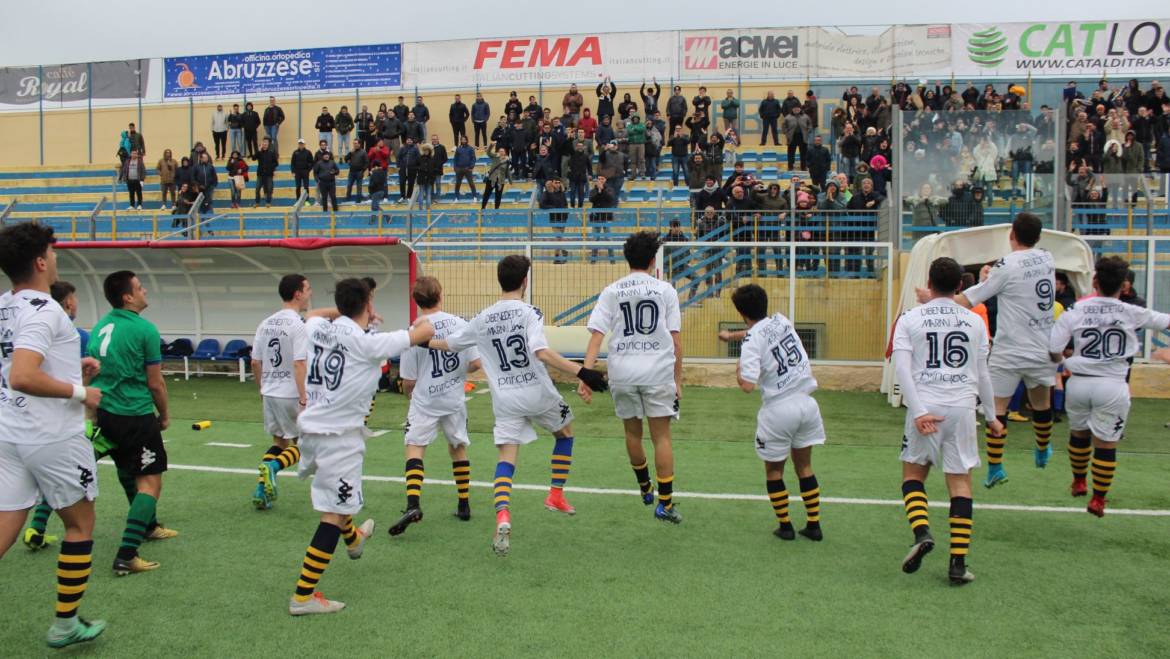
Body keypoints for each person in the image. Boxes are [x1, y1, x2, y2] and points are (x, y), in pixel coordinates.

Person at [428, 255, 607, 557]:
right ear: (525, 281)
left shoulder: (483, 317)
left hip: (506, 398)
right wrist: (583, 371)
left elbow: (452, 343)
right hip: (536, 392)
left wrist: (423, 343)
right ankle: (555, 495)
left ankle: (502, 516)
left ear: (500, 280)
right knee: (565, 433)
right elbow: (541, 351)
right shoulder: (529, 312)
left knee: (506, 456)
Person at [287, 279, 433, 615]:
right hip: (337, 436)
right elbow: (421, 332)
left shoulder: (319, 328)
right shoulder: (369, 343)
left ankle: (354, 540)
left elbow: (312, 313)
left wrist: (350, 311)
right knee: (334, 511)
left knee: (342, 498)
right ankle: (303, 596)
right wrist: (430, 319)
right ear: (367, 304)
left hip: (314, 428)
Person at [0, 224, 108, 648]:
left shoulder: (4, 306)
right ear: (41, 262)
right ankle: (66, 623)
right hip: (51, 437)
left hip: (10, 433)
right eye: (52, 251)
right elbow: (22, 374)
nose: (57, 258)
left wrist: (69, 369)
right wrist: (82, 391)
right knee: (80, 526)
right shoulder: (46, 310)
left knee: (8, 520)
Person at [916, 213, 1055, 487]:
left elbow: (969, 299)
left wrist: (931, 298)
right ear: (1038, 237)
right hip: (1042, 346)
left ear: (1012, 234)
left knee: (998, 409)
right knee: (1042, 405)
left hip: (1010, 349)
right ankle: (1042, 448)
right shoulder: (1048, 258)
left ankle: (995, 467)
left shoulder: (1007, 264)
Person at [895, 257, 1001, 586]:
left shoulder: (910, 318)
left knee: (914, 474)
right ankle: (958, 564)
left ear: (929, 282)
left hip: (927, 403)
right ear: (960, 286)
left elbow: (901, 369)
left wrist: (918, 410)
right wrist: (994, 416)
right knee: (960, 483)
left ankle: (922, 532)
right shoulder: (974, 321)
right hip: (962, 408)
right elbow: (983, 372)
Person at [1050, 256, 1169, 516]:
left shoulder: (1076, 310)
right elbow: (1166, 321)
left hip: (1079, 382)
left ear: (1095, 281)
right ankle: (1098, 500)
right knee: (1105, 444)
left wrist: (1065, 361)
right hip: (1113, 385)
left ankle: (1079, 480)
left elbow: (1052, 348)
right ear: (1124, 286)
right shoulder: (1131, 311)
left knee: (1079, 434)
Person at [581, 232, 683, 523]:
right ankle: (664, 504)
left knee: (632, 432)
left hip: (622, 371)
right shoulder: (666, 290)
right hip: (657, 370)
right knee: (661, 436)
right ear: (653, 260)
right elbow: (676, 341)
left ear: (627, 258)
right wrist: (678, 379)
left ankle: (644, 486)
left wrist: (585, 375)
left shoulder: (612, 290)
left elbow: (596, 337)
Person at [720, 284, 827, 541]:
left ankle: (786, 526)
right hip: (807, 405)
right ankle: (814, 525)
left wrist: (738, 368)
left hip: (778, 409)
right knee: (805, 467)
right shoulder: (782, 320)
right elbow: (758, 331)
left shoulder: (751, 342)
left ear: (741, 311)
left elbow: (747, 385)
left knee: (774, 471)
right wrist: (733, 336)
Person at [88, 270, 177, 576]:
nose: (145, 292)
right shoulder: (144, 329)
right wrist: (163, 415)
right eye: (140, 288)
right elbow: (155, 383)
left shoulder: (99, 326)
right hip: (134, 415)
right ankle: (127, 553)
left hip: (105, 412)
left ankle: (149, 526)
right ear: (128, 296)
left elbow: (93, 373)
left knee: (127, 469)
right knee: (150, 482)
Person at [387, 277, 483, 536]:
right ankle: (464, 504)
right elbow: (476, 363)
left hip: (426, 400)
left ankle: (413, 504)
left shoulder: (416, 329)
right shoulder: (460, 324)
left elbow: (408, 380)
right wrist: (457, 374)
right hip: (453, 399)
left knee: (415, 447)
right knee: (458, 447)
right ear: (440, 294)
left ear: (416, 301)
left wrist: (410, 395)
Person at [250, 275, 332, 510]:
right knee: (306, 444)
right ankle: (273, 469)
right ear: (297, 293)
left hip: (270, 392)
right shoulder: (298, 325)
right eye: (307, 288)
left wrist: (262, 389)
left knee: (279, 441)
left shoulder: (265, 323)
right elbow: (299, 363)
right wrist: (304, 398)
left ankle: (260, 490)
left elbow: (255, 362)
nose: (310, 293)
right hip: (291, 393)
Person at [782, 105, 811, 171]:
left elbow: (810, 124)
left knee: (804, 153)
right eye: (795, 109)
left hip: (803, 137)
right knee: (791, 153)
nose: (796, 110)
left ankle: (803, 167)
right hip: (792, 137)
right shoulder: (788, 117)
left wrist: (808, 131)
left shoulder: (805, 116)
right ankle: (790, 167)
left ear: (800, 109)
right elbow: (784, 126)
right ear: (792, 109)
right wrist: (787, 133)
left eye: (798, 108)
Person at [254, 138, 277, 208]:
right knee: (257, 189)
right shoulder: (259, 153)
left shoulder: (271, 153)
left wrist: (271, 168)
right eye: (263, 143)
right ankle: (257, 202)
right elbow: (254, 158)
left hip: (269, 174)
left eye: (266, 143)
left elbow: (276, 163)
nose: (264, 144)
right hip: (260, 174)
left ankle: (268, 202)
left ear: (268, 144)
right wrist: (258, 150)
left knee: (269, 189)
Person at [396, 138, 420, 203]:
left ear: (412, 141)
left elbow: (418, 158)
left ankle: (409, 197)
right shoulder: (402, 148)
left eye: (410, 140)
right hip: (403, 169)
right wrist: (398, 166)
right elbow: (398, 157)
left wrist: (417, 167)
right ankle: (402, 196)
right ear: (406, 141)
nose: (409, 141)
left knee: (411, 183)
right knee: (402, 182)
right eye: (408, 140)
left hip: (412, 169)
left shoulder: (415, 149)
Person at [291, 139, 314, 203]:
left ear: (304, 144)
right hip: (297, 172)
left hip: (305, 172)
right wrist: (293, 171)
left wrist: (308, 170)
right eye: (299, 144)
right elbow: (292, 163)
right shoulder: (295, 152)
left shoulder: (308, 152)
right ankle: (298, 200)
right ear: (298, 145)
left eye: (302, 144)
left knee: (306, 187)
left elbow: (312, 162)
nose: (301, 145)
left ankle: (306, 201)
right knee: (298, 186)